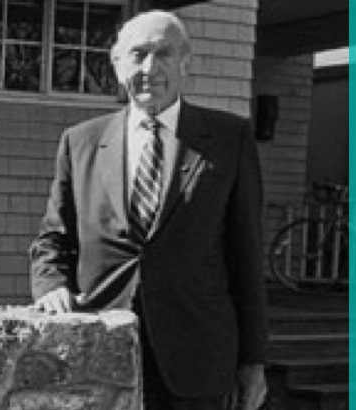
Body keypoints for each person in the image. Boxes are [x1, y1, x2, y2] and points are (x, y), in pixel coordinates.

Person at [29, 11, 267, 410]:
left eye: (164, 54)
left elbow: (247, 255)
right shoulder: (80, 142)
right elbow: (54, 238)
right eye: (138, 54)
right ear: (117, 62)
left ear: (185, 63)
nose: (149, 68)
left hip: (197, 361)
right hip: (99, 354)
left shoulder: (230, 139)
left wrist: (254, 361)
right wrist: (51, 284)